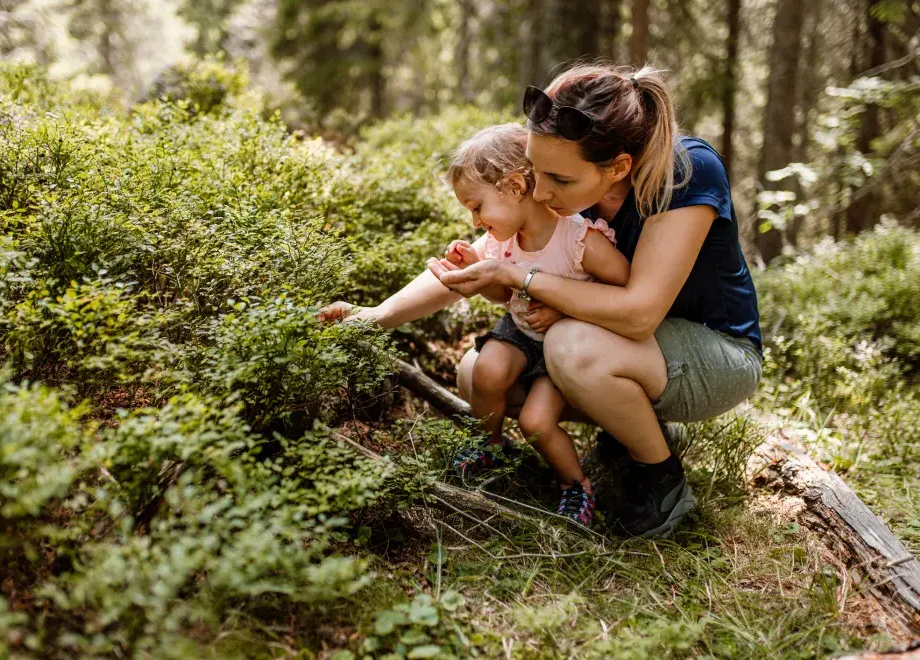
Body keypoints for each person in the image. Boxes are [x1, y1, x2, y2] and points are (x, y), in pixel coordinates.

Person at [322, 63, 762, 539]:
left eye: (558, 180)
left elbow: (638, 314)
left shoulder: (686, 172)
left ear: (618, 168)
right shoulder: (565, 174)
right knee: (478, 373)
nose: (541, 190)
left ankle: (660, 477)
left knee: (570, 346)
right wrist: (376, 317)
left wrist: (521, 277)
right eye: (535, 171)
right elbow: (480, 261)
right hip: (634, 347)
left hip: (717, 354)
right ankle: (629, 426)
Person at [425, 124, 630, 526]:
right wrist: (476, 274)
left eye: (477, 206)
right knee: (487, 370)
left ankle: (576, 488)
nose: (474, 220)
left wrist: (565, 310)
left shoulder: (580, 240)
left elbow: (622, 288)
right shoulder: (503, 243)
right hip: (520, 331)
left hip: (566, 341)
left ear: (516, 186)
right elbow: (505, 298)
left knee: (536, 421)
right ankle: (489, 447)